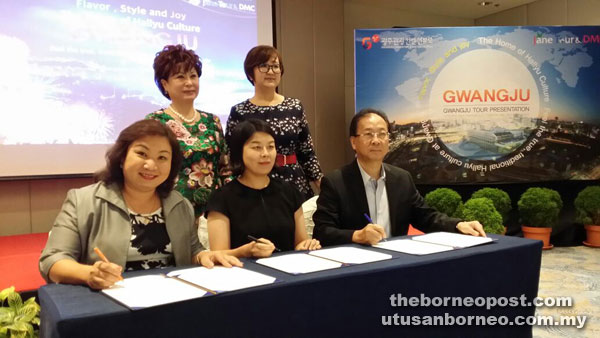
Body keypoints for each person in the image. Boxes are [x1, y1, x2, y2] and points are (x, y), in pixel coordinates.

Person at [39, 120, 241, 290]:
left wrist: (205, 255)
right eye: (142, 154)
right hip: (111, 302)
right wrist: (89, 273)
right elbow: (52, 260)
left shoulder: (179, 204)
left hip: (172, 299)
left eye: (162, 157)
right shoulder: (83, 201)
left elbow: (192, 251)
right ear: (121, 157)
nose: (151, 165)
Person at [312, 109, 485, 246]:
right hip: (356, 266)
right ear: (353, 142)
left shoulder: (401, 179)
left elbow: (426, 217)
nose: (376, 140)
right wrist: (357, 235)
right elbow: (322, 232)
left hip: (396, 263)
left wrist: (457, 225)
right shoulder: (336, 182)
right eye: (368, 134)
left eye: (382, 134)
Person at [206, 119, 320, 258]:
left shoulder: (289, 191)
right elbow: (217, 255)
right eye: (257, 147)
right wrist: (245, 252)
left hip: (289, 271)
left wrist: (306, 246)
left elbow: (300, 243)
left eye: (270, 147)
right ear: (239, 151)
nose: (265, 153)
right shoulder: (222, 198)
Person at [226, 45, 322, 200]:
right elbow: (232, 156)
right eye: (263, 66)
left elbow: (307, 152)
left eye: (275, 66)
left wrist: (321, 184)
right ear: (251, 73)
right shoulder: (239, 111)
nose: (271, 72)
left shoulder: (294, 107)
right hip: (253, 184)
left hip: (293, 181)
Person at [147, 44, 230, 218]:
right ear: (165, 84)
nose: (189, 83)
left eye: (193, 76)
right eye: (180, 77)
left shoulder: (212, 121)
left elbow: (224, 168)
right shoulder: (155, 122)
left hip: (214, 213)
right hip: (172, 210)